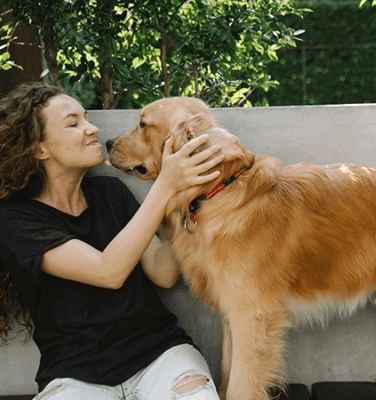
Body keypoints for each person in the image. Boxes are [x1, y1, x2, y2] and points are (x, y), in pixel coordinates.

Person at [0, 82, 225, 400]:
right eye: (74, 123)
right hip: (74, 376)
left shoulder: (111, 193)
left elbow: (163, 271)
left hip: (159, 355)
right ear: (39, 148)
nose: (92, 129)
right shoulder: (16, 220)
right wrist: (165, 185)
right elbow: (108, 272)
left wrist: (188, 200)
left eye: (87, 118)